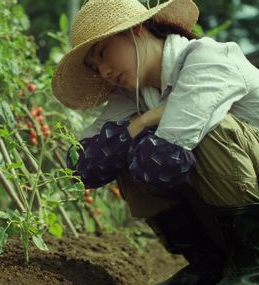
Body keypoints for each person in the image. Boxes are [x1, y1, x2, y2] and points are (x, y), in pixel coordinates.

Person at [51, 0, 259, 284]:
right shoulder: (133, 95)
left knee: (209, 130)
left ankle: (252, 266)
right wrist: (141, 122)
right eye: (94, 66)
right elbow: (81, 164)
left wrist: (144, 126)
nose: (104, 71)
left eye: (102, 53)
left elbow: (166, 158)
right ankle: (209, 264)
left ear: (135, 29)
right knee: (121, 147)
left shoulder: (207, 59)